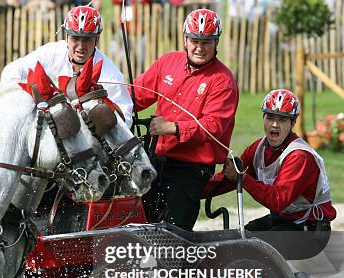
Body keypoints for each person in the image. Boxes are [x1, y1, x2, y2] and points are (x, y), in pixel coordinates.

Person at [131, 8, 239, 231]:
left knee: (172, 232)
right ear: (185, 39)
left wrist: (170, 127)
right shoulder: (168, 62)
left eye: (206, 42)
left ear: (216, 42)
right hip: (155, 158)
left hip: (191, 169)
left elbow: (214, 126)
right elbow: (136, 95)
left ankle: (175, 265)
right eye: (194, 40)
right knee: (141, 224)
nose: (199, 47)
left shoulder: (223, 81)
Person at [206, 89, 336, 258]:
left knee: (253, 250)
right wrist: (195, 190)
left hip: (310, 231)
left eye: (282, 119)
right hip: (285, 222)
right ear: (263, 118)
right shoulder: (257, 149)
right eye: (270, 117)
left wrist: (242, 178)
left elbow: (278, 201)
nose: (275, 124)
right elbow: (231, 178)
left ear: (293, 123)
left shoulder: (299, 156)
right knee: (239, 240)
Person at [1, 5, 133, 130]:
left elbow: (125, 120)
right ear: (66, 36)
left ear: (97, 39)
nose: (80, 46)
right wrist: (31, 97)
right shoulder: (51, 53)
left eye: (87, 39)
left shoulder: (111, 74)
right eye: (75, 38)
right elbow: (10, 72)